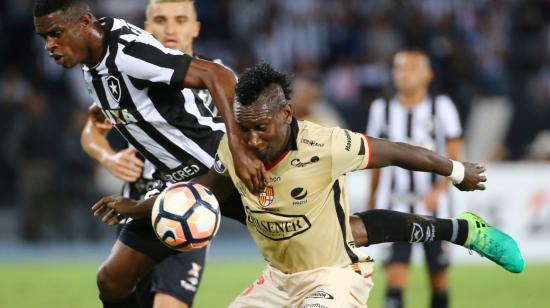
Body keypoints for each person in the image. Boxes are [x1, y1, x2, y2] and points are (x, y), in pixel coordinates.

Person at [93, 64, 524, 308]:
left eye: (260, 129)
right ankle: (462, 230)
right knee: (350, 227)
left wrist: (455, 170)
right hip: (278, 281)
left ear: (286, 114)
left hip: (334, 277)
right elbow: (199, 191)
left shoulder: (326, 143)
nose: (253, 141)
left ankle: (466, 231)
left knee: (351, 231)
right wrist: (142, 207)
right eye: (244, 131)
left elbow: (397, 151)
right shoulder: (234, 149)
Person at [33, 1, 268, 307]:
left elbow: (218, 75)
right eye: (44, 38)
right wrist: (109, 158)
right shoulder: (94, 62)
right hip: (179, 191)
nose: (50, 45)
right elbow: (94, 125)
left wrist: (238, 148)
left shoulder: (127, 53)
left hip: (219, 168)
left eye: (56, 33)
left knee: (304, 248)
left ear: (84, 22)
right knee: (111, 281)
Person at [80, 0, 226, 307]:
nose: (170, 28)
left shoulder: (213, 81)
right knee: (120, 288)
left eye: (180, 20)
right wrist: (110, 158)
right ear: (146, 28)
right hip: (138, 200)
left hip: (187, 207)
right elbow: (92, 129)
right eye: (160, 19)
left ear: (195, 27)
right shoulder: (126, 76)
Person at [366, 49, 462, 308]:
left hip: (434, 206)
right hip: (394, 204)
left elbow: (456, 156)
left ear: (427, 74)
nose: (403, 74)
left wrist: (439, 190)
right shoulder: (381, 109)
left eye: (411, 68)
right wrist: (372, 196)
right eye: (398, 68)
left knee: (438, 278)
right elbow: (372, 158)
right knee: (394, 281)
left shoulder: (441, 107)